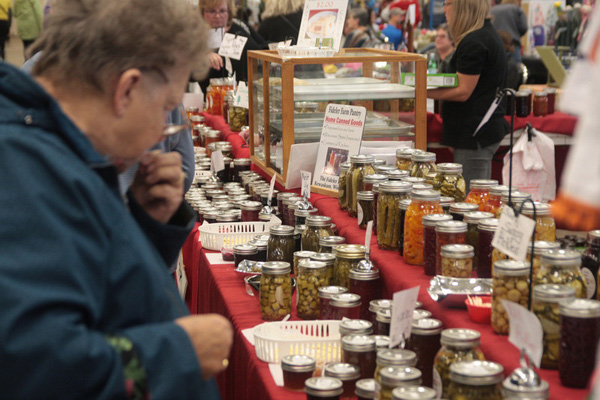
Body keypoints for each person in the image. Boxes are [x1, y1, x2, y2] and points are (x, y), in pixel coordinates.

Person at [0, 0, 233, 399]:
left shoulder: (58, 149)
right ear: (126, 90)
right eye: (165, 109)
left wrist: (144, 226)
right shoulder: (23, 168)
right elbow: (37, 367)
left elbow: (90, 283)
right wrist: (177, 354)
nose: (161, 131)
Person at [428, 0, 509, 192]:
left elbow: (463, 91)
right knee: (477, 195)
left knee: (471, 198)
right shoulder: (482, 35)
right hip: (477, 131)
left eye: (448, 3)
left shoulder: (475, 40)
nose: (444, 9)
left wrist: (422, 91)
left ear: (462, 6)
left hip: (475, 133)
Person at [199, 0, 266, 95]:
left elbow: (262, 48)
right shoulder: (197, 35)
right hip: (214, 98)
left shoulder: (240, 26)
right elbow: (188, 72)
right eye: (212, 11)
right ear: (203, 12)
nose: (217, 16)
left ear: (229, 12)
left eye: (222, 11)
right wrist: (203, 57)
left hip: (245, 95)